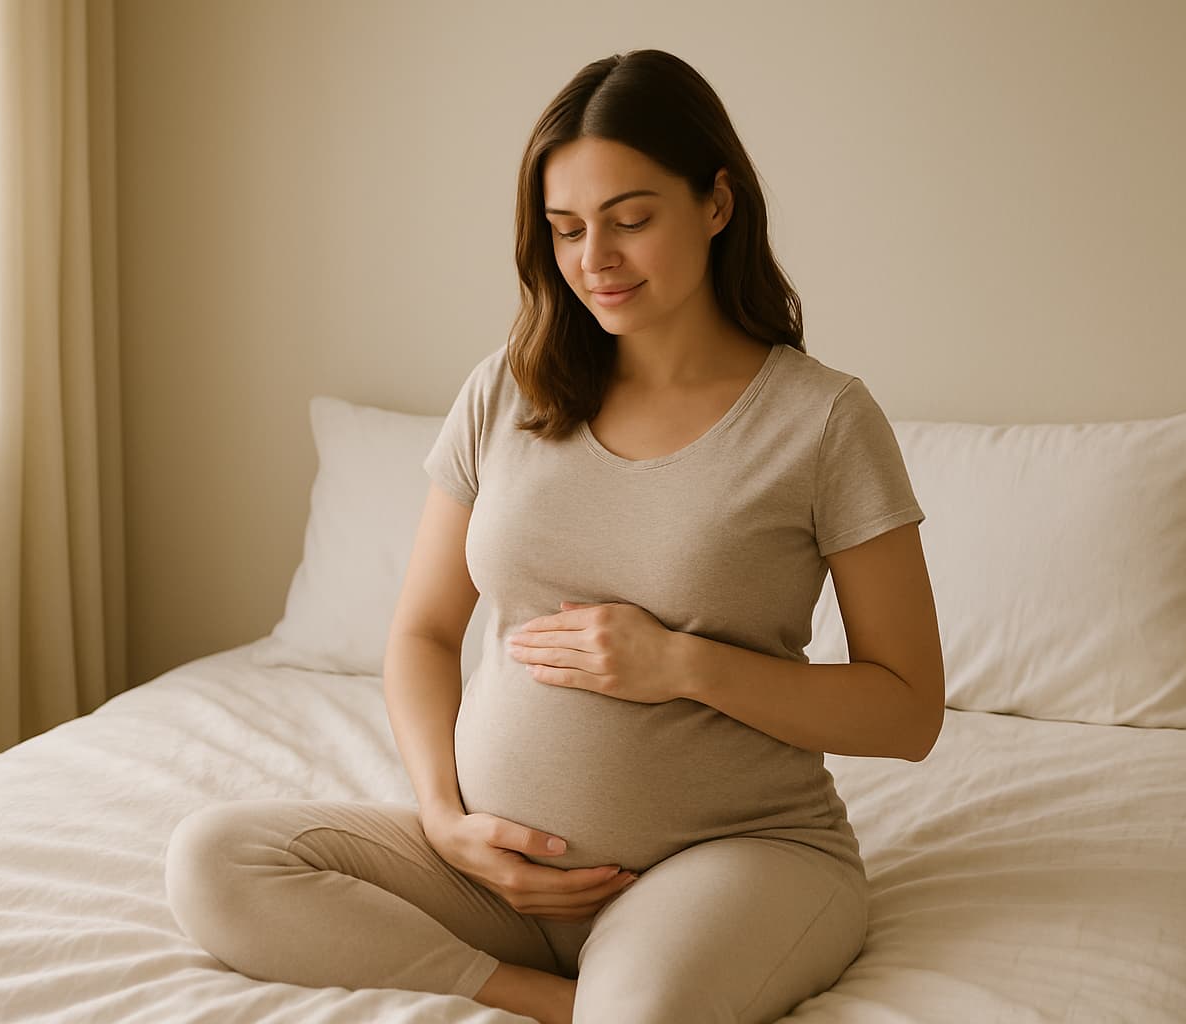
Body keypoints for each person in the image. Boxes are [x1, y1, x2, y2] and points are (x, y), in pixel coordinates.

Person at [163, 48, 944, 1024]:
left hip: (736, 855)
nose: (594, 260)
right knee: (214, 860)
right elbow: (421, 632)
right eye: (566, 229)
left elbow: (908, 710)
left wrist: (681, 663)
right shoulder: (508, 388)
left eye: (630, 219)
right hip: (497, 874)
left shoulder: (822, 421)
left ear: (716, 202)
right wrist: (447, 821)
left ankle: (617, 990)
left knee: (644, 1011)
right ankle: (545, 998)